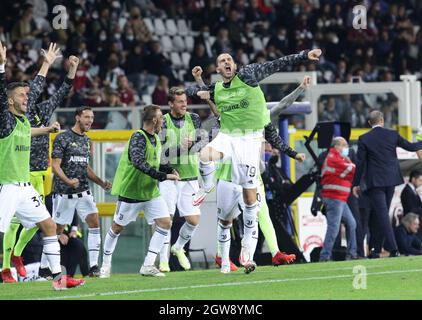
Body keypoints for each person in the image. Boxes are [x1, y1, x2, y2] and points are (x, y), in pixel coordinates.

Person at [186, 48, 321, 273]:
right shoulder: (217, 88)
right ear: (218, 69)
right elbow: (196, 92)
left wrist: (304, 55)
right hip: (229, 138)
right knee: (205, 158)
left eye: (230, 58)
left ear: (235, 65)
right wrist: (197, 87)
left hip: (249, 142)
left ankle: (248, 255)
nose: (227, 62)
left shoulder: (248, 76)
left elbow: (277, 63)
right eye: (222, 60)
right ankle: (207, 189)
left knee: (254, 205)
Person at [0, 41, 84, 290]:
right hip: (5, 187)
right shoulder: (4, 121)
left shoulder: (24, 120)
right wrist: (2, 65)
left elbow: (36, 88)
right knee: (2, 233)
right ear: (9, 103)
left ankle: (58, 279)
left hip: (25, 186)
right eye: (21, 96)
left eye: (27, 95)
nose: (28, 97)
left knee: (48, 226)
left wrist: (47, 63)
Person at [99, 105, 180, 278]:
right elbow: (138, 161)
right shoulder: (138, 137)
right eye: (161, 118)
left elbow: (155, 162)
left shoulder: (156, 138)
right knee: (117, 228)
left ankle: (148, 265)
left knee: (165, 223)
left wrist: (169, 170)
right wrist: (162, 176)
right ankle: (105, 265)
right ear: (154, 120)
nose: (164, 121)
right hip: (132, 193)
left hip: (150, 192)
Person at [48, 107, 112, 278]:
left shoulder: (86, 140)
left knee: (94, 221)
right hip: (64, 192)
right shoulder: (63, 137)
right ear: (77, 117)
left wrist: (100, 182)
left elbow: (85, 167)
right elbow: (55, 165)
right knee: (57, 229)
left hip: (84, 191)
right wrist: (68, 181)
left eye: (91, 117)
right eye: (86, 117)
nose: (90, 120)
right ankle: (46, 268)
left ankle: (93, 267)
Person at [352, 111, 422, 258]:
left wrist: (355, 183)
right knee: (381, 215)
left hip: (375, 182)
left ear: (370, 123)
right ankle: (376, 249)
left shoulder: (364, 138)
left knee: (382, 215)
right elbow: (410, 146)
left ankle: (393, 249)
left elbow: (360, 163)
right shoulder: (392, 134)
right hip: (391, 180)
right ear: (382, 120)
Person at [158, 87, 207, 272]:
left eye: (185, 101)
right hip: (170, 177)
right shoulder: (163, 121)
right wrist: (182, 147)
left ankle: (178, 248)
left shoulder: (193, 118)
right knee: (166, 220)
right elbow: (162, 153)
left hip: (191, 176)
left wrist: (193, 144)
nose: (184, 104)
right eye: (180, 101)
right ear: (171, 104)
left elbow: (203, 141)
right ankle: (163, 260)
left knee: (193, 220)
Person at [320, 137, 357, 261]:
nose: (347, 148)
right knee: (334, 228)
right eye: (344, 145)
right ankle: (325, 256)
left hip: (340, 198)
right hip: (334, 198)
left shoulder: (337, 158)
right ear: (337, 146)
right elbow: (351, 169)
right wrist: (350, 162)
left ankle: (351, 253)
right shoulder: (333, 158)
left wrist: (348, 162)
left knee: (352, 223)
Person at [400, 170, 422, 239]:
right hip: (411, 223)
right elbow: (410, 209)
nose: (421, 183)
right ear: (413, 179)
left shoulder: (413, 190)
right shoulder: (407, 191)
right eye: (420, 180)